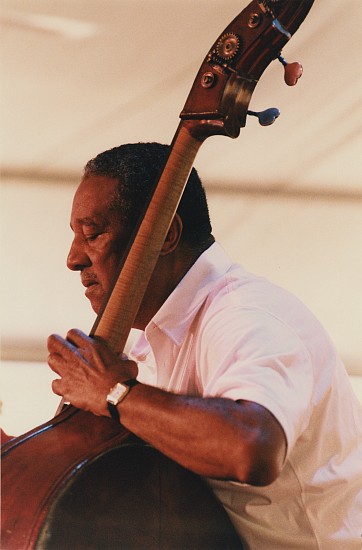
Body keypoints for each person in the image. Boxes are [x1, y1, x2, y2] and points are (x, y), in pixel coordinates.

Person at [48, 142, 362, 549]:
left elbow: (253, 446)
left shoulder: (247, 314)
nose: (74, 258)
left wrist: (115, 393)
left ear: (166, 235)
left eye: (92, 234)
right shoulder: (146, 342)